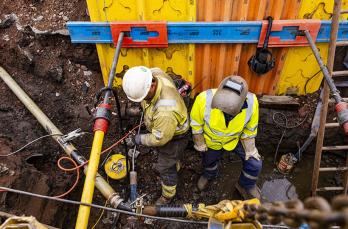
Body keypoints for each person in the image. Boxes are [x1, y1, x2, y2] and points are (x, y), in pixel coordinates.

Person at [122, 66, 189, 204]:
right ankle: (175, 163)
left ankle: (168, 195)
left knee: (165, 167)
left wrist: (138, 139)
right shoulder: (154, 74)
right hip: (165, 127)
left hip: (174, 138)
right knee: (170, 160)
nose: (142, 99)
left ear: (152, 86)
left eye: (143, 97)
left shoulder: (165, 111)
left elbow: (159, 139)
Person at [190, 75, 262, 199]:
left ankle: (247, 184)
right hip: (212, 142)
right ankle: (209, 174)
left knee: (255, 164)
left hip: (235, 140)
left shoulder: (251, 102)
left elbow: (250, 129)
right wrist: (200, 143)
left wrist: (250, 150)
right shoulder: (204, 99)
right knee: (209, 161)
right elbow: (196, 124)